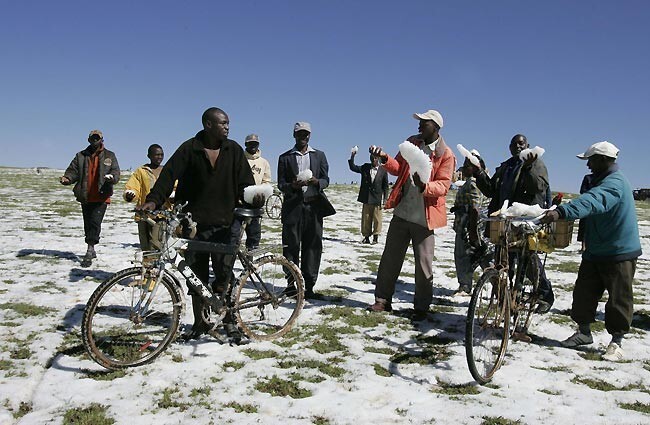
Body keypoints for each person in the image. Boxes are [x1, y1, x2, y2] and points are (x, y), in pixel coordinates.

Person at [139, 107, 261, 340]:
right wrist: (153, 200)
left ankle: (229, 321)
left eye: (228, 123)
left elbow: (246, 184)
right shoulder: (190, 149)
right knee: (196, 275)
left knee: (225, 275)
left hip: (226, 225)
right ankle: (200, 323)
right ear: (208, 124)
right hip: (192, 225)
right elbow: (168, 176)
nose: (227, 127)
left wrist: (252, 202)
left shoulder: (234, 150)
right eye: (223, 123)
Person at [541, 141, 641, 361]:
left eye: (591, 160)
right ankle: (584, 333)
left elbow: (595, 201)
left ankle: (616, 342)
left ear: (605, 160)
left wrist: (562, 211)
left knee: (618, 298)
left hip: (618, 251)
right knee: (584, 294)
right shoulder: (600, 179)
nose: (588, 165)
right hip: (596, 249)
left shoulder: (614, 183)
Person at [367, 109, 455, 321]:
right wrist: (385, 157)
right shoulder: (412, 142)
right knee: (390, 258)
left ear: (435, 126)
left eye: (424, 123)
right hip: (403, 212)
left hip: (425, 219)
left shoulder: (446, 154)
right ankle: (382, 300)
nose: (419, 126)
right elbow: (398, 168)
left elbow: (444, 185)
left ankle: (421, 308)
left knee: (424, 265)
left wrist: (425, 187)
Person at [475, 133, 555, 312]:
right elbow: (491, 191)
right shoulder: (506, 166)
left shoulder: (536, 164)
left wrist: (527, 168)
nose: (518, 147)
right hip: (506, 221)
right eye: (514, 144)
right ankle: (507, 296)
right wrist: (478, 173)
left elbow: (538, 187)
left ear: (528, 145)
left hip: (527, 221)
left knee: (529, 259)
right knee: (504, 259)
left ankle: (544, 295)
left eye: (521, 143)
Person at [277, 122, 335, 299]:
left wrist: (318, 182)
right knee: (290, 247)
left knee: (312, 247)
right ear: (294, 135)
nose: (303, 137)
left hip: (313, 207)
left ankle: (309, 286)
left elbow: (326, 179)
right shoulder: (285, 157)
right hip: (293, 208)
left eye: (306, 134)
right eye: (300, 134)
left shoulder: (319, 156)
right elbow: (281, 185)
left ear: (310, 135)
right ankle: (290, 284)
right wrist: (292, 186)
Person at [59, 130, 120, 267]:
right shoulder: (81, 156)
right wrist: (67, 179)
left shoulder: (110, 156)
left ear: (102, 140)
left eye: (97, 138)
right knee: (88, 223)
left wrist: (112, 178)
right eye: (92, 138)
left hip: (102, 195)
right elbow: (73, 171)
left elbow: (116, 172)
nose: (95, 141)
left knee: (95, 222)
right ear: (88, 140)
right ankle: (91, 247)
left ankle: (90, 249)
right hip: (85, 195)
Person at [451, 151, 491, 296]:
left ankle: (465, 286)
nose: (463, 168)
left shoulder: (473, 183)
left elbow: (475, 207)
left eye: (467, 166)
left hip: (468, 225)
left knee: (463, 255)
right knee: (481, 255)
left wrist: (472, 230)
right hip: (469, 224)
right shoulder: (474, 182)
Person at [230, 134, 272, 250]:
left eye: (255, 143)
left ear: (258, 144)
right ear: (246, 144)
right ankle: (229, 261)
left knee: (254, 236)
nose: (252, 146)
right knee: (234, 234)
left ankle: (251, 264)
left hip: (255, 203)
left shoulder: (264, 163)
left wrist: (261, 193)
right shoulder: (239, 159)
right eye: (250, 143)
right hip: (239, 202)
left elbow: (266, 181)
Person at [123, 144, 167, 250]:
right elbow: (133, 187)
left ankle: (156, 265)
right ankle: (147, 265)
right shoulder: (141, 171)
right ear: (149, 156)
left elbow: (175, 186)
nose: (159, 157)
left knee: (157, 245)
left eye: (161, 155)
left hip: (162, 215)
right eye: (156, 155)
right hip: (144, 215)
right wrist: (130, 195)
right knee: (145, 246)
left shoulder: (166, 171)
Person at [348, 149, 389, 244]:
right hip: (366, 198)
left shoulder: (383, 171)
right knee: (366, 219)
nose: (373, 159)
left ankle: (375, 238)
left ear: (378, 159)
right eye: (371, 157)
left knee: (377, 219)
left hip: (377, 199)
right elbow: (353, 167)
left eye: (375, 157)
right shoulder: (365, 167)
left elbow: (385, 187)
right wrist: (352, 156)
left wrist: (385, 199)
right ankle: (366, 237)